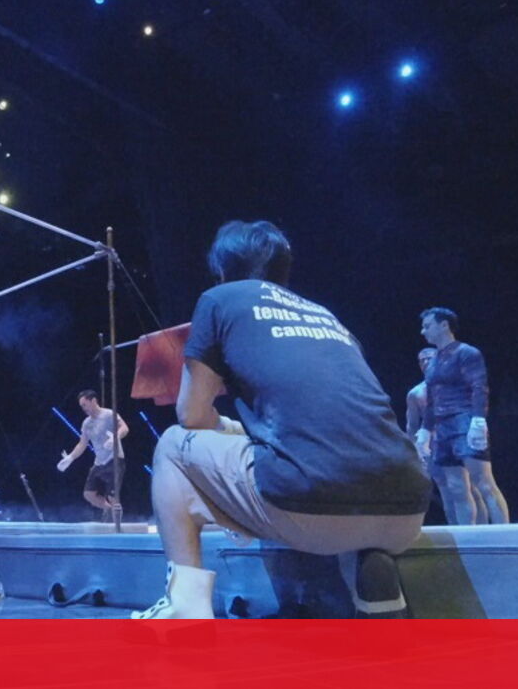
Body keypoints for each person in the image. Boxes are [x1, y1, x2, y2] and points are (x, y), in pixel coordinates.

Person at [134, 220, 430, 619]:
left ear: (222, 268)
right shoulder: (327, 317)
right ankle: (372, 577)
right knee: (321, 464)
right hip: (407, 509)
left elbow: (192, 414)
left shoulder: (219, 299)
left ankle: (185, 604)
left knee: (172, 444)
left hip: (312, 510)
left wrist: (223, 428)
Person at [415, 308, 509, 525]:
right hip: (442, 426)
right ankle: (469, 536)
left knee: (483, 482)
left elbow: (479, 386)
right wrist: (425, 430)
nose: (423, 331)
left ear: (444, 325)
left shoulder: (467, 353)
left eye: (427, 326)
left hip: (464, 420)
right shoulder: (434, 360)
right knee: (457, 487)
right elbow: (432, 400)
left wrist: (478, 419)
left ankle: (505, 534)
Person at [406, 348, 486, 525]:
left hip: (459, 438)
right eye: (421, 360)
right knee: (447, 490)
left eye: (429, 358)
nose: (425, 362)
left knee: (471, 487)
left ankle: (481, 530)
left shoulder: (455, 385)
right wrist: (415, 451)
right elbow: (412, 425)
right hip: (434, 445)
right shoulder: (416, 393)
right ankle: (456, 530)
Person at [57, 389, 129, 516]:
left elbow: (124, 428)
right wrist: (70, 458)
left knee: (113, 497)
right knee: (88, 494)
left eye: (84, 405)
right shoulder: (86, 423)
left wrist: (115, 437)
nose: (83, 408)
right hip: (99, 462)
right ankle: (108, 509)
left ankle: (117, 522)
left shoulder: (109, 414)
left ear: (94, 401)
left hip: (114, 459)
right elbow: (82, 444)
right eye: (81, 406)